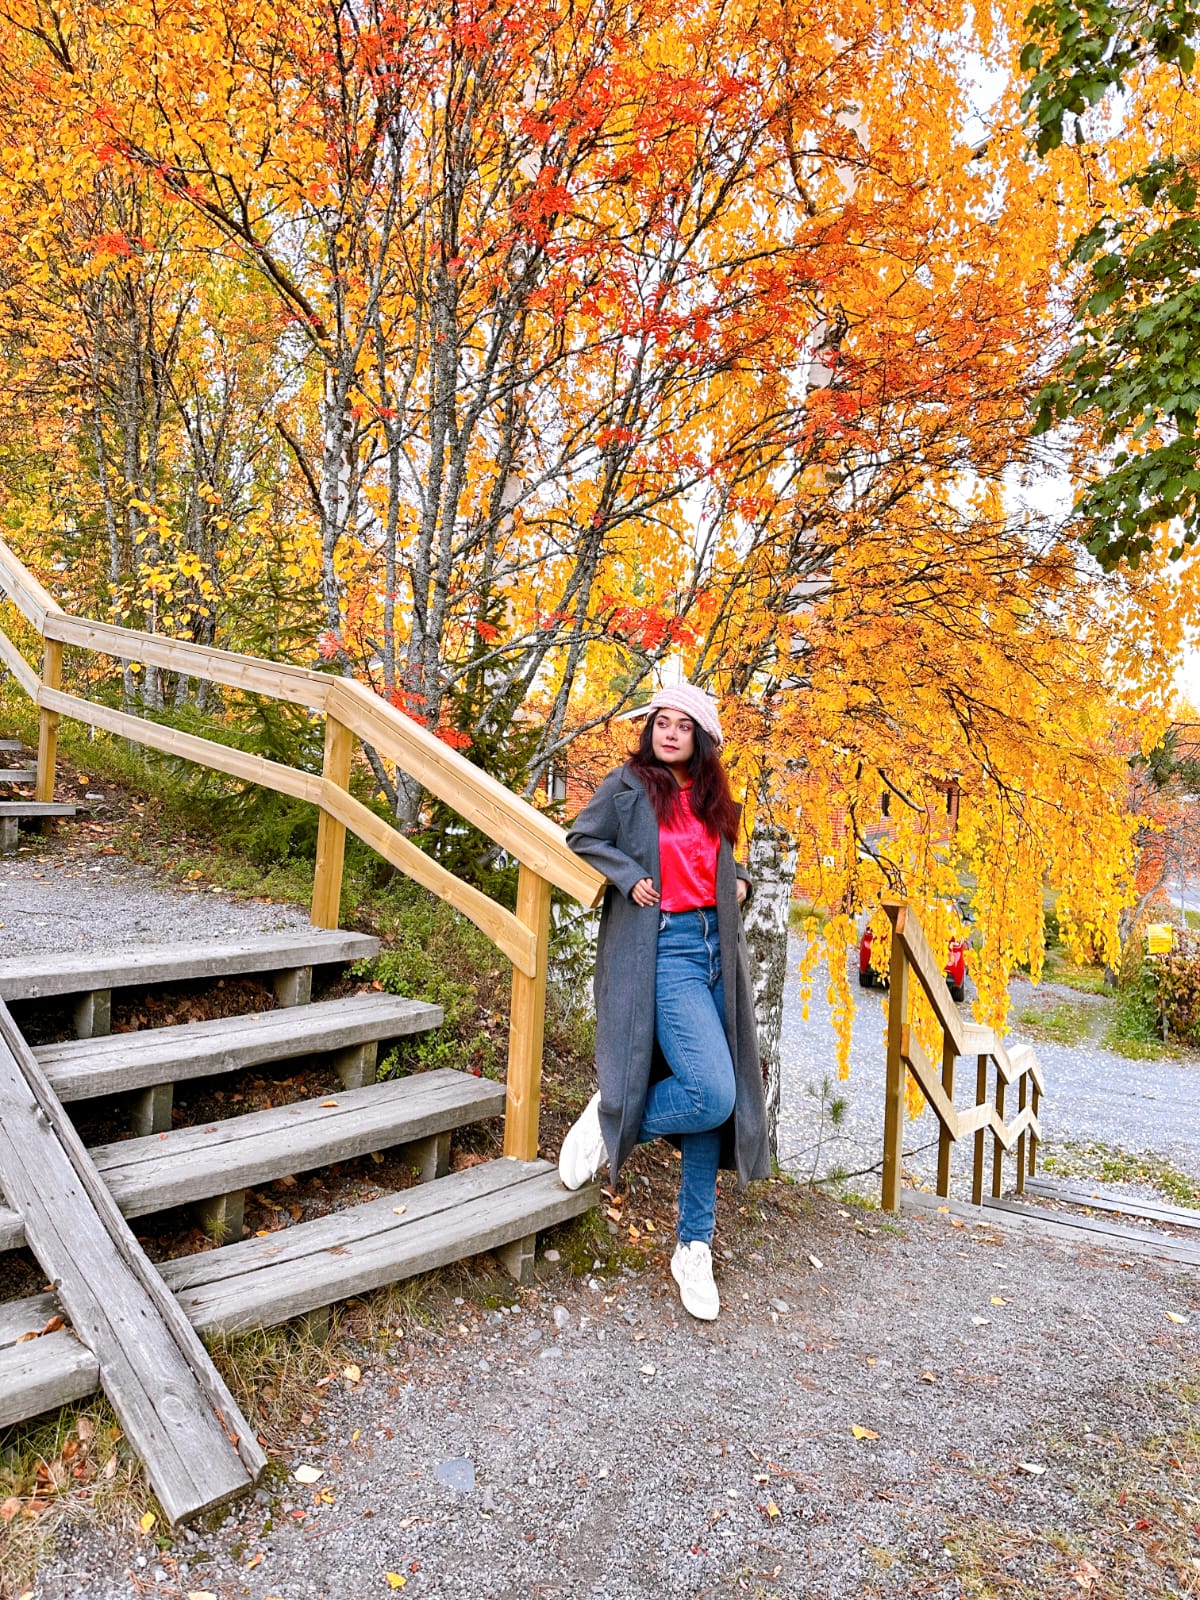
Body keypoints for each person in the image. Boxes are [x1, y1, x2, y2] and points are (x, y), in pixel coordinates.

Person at [558, 683, 770, 1320]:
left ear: (700, 738)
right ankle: (612, 1119)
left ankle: (693, 1245)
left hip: (717, 947)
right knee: (712, 1092)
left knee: (712, 1108)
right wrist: (629, 877)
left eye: (682, 725)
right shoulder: (629, 785)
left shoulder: (712, 795)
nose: (669, 733)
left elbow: (719, 860)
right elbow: (583, 837)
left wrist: (741, 879)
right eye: (661, 723)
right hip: (668, 949)